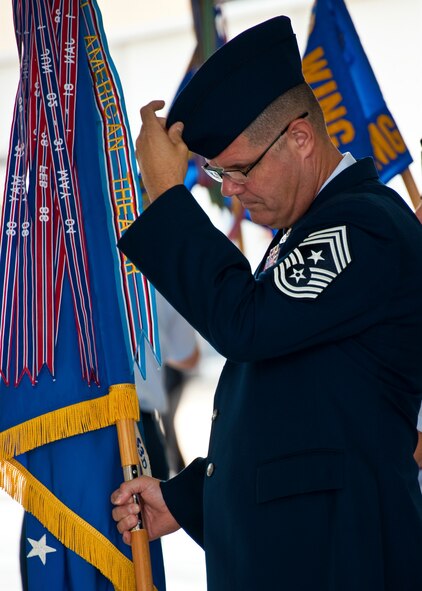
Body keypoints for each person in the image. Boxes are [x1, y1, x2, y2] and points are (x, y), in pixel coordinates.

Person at [111, 16, 422, 590]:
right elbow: (300, 411)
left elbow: (244, 324)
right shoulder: (312, 232)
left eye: (238, 169)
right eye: (216, 173)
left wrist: (169, 198)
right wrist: (189, 500)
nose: (228, 188)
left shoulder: (365, 227)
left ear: (300, 139)